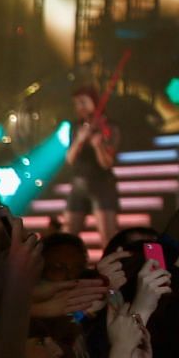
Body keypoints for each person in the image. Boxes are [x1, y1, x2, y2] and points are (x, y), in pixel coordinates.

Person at [64, 85, 121, 245]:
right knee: (68, 235)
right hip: (79, 184)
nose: (79, 107)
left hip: (102, 185)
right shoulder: (76, 127)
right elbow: (70, 159)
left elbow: (107, 163)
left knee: (107, 237)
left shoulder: (110, 127)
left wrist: (98, 146)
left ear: (93, 102)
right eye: (76, 103)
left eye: (83, 102)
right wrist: (80, 139)